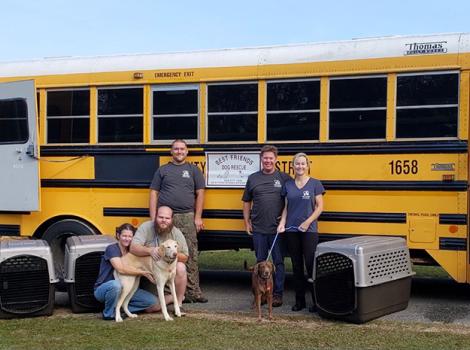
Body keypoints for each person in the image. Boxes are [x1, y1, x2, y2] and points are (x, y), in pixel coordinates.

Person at [149, 139, 207, 303]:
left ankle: (193, 291)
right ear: (171, 151)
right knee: (166, 252)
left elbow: (200, 194)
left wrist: (197, 216)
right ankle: (169, 293)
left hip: (187, 216)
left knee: (190, 253)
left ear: (187, 152)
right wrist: (154, 217)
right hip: (166, 217)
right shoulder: (163, 170)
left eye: (182, 149)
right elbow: (153, 193)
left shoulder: (193, 170)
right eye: (176, 149)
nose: (179, 151)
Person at [242, 145, 291, 307]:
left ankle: (277, 294)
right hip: (258, 228)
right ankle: (260, 294)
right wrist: (247, 221)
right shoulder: (253, 178)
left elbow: (291, 199)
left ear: (276, 160)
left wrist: (285, 217)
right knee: (260, 263)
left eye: (271, 158)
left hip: (276, 229)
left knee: (277, 262)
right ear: (261, 160)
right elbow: (246, 201)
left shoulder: (284, 178)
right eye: (265, 158)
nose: (268, 161)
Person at [277, 153, 325, 312]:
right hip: (292, 230)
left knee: (311, 265)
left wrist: (307, 222)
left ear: (307, 165)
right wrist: (282, 223)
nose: (300, 167)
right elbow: (286, 207)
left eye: (303, 164)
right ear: (293, 166)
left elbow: (320, 207)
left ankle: (317, 302)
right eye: (297, 164)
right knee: (296, 266)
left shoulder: (315, 184)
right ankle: (300, 301)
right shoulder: (288, 185)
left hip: (309, 231)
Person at [94, 223, 159, 320]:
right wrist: (142, 272)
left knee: (151, 301)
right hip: (105, 288)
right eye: (124, 236)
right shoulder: (112, 249)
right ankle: (109, 313)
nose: (127, 239)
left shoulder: (131, 251)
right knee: (116, 285)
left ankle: (120, 309)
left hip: (125, 287)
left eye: (130, 236)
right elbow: (121, 269)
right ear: (118, 236)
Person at [131, 205, 189, 308]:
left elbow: (185, 256)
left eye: (167, 218)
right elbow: (133, 248)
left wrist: (166, 254)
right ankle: (170, 298)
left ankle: (178, 303)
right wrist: (150, 250)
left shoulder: (176, 233)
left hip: (168, 270)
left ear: (171, 220)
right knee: (152, 307)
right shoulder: (146, 227)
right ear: (155, 216)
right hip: (149, 274)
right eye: (161, 217)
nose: (164, 220)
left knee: (181, 267)